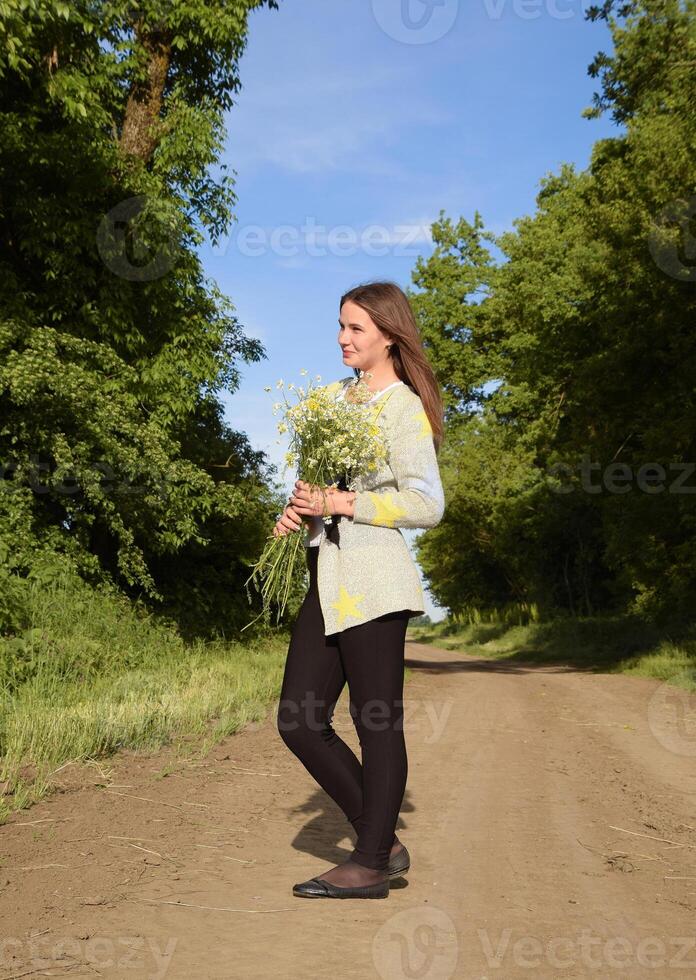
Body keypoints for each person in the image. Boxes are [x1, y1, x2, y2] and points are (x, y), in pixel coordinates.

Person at [274, 280, 445, 899]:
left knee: (376, 723)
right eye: (340, 327)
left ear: (389, 335)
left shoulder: (403, 409)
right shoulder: (328, 401)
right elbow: (315, 483)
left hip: (375, 581)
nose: (342, 338)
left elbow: (428, 504)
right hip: (327, 576)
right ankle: (381, 837)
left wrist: (345, 501)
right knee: (298, 719)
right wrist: (300, 510)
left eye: (355, 329)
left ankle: (370, 862)